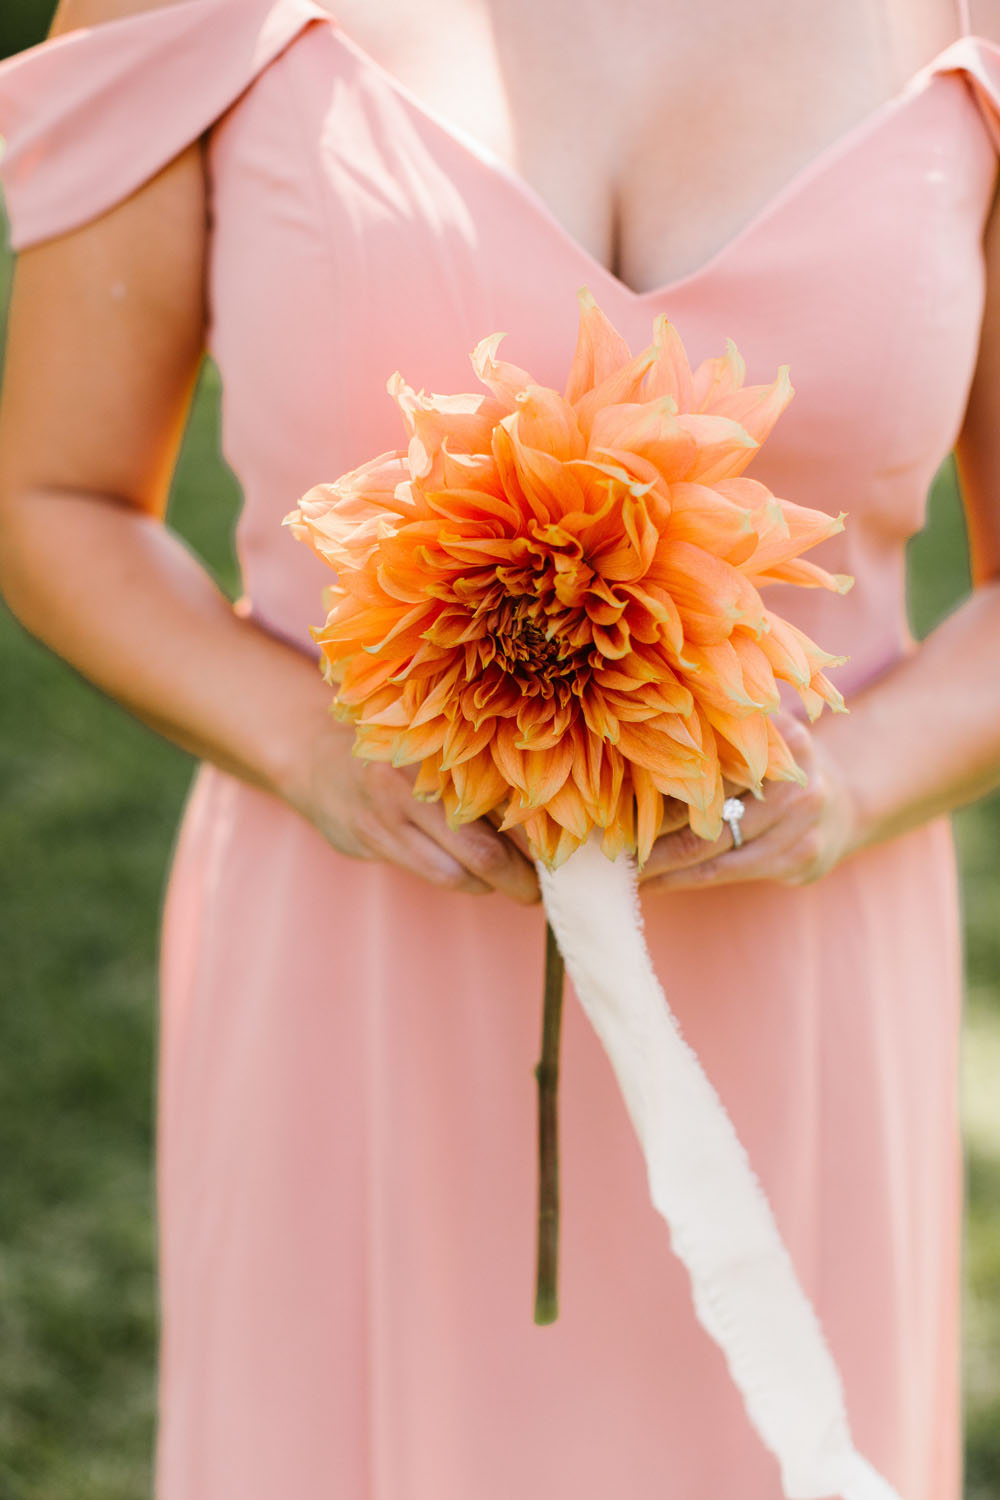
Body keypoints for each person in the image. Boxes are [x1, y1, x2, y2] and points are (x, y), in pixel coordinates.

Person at [1, 0, 999, 1495]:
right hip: (361, 965)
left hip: (797, 975)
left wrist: (851, 782)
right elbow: (58, 495)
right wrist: (308, 749)